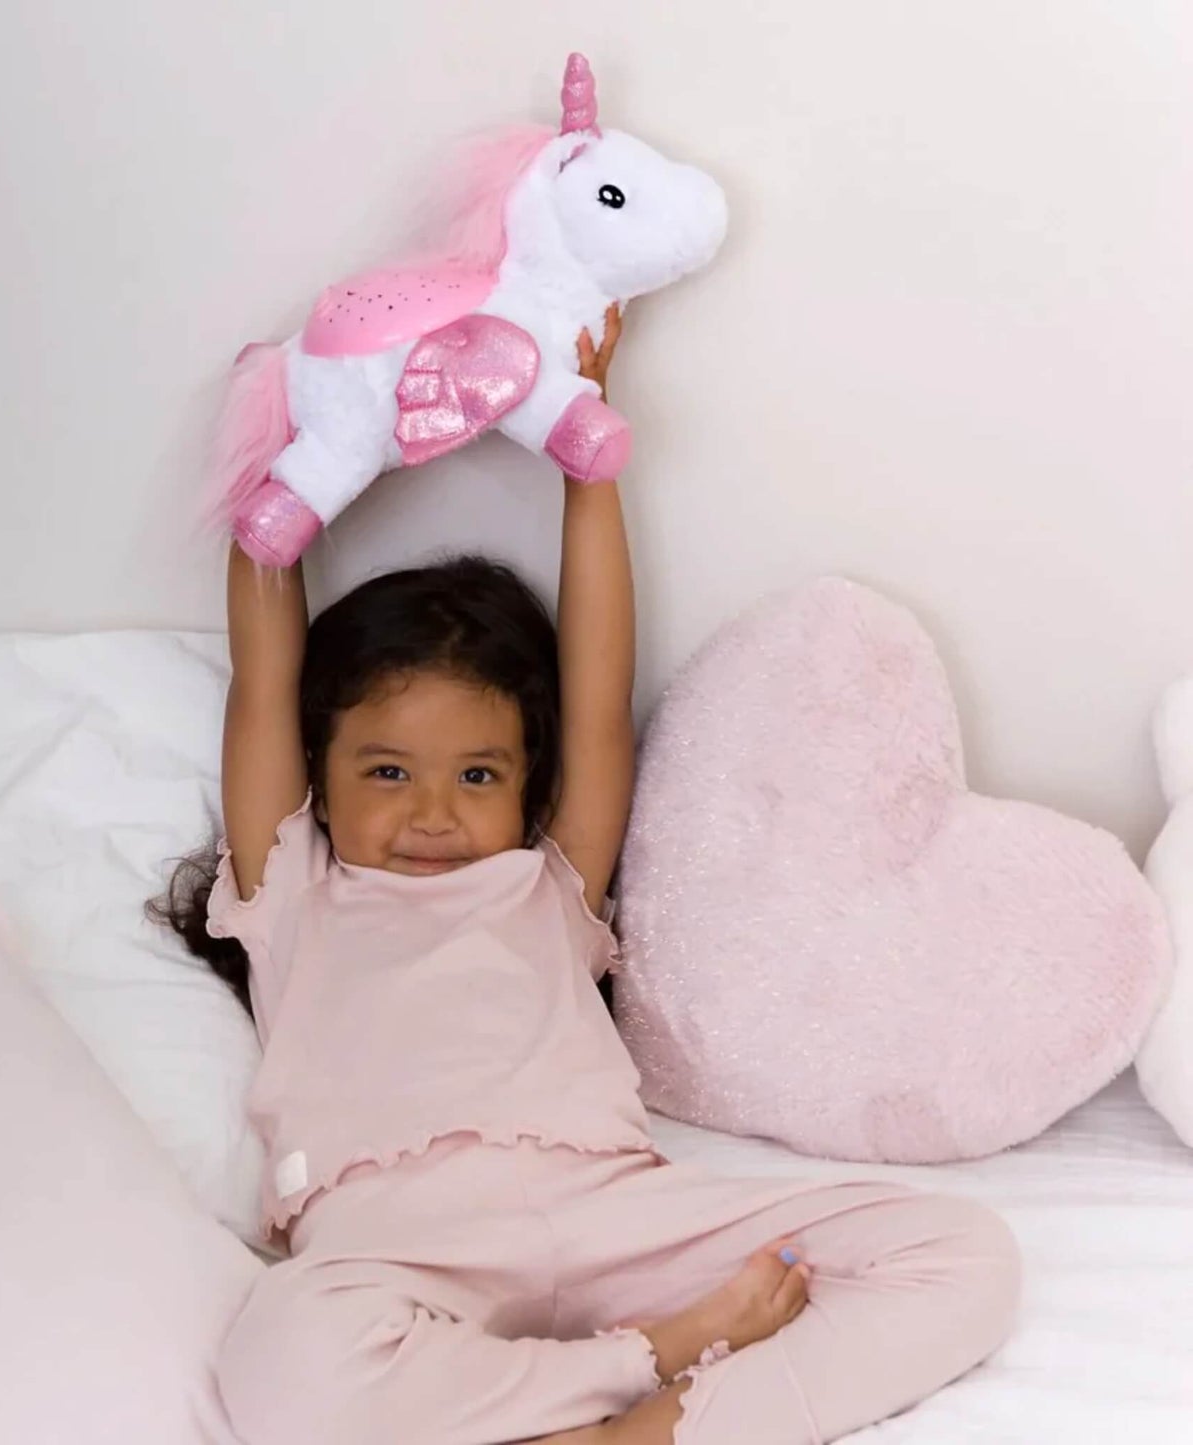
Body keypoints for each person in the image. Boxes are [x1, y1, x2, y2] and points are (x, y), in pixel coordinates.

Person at [155, 309, 1020, 1444]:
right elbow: (263, 682)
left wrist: (582, 449)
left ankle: (655, 1431)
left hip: (619, 1213)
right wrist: (282, 459)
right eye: (385, 770)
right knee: (281, 1363)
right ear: (320, 770)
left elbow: (598, 690)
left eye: (475, 772)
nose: (431, 811)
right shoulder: (294, 892)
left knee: (962, 1254)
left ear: (525, 781)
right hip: (401, 1244)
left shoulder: (546, 880)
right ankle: (641, 1376)